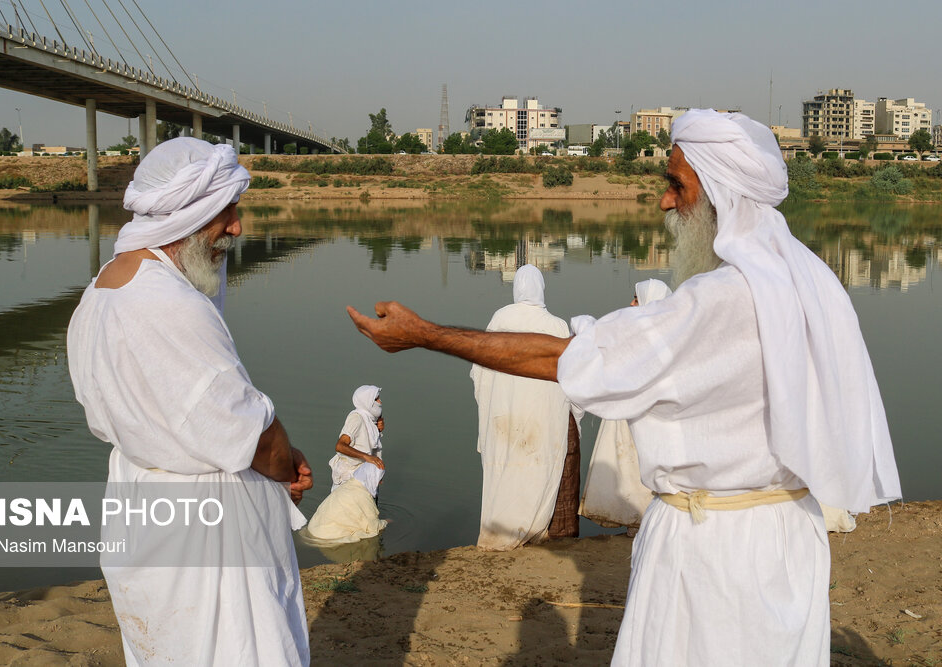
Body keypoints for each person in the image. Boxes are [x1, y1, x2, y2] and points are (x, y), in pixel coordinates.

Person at [347, 110, 901, 665]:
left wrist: (426, 334)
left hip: (713, 550)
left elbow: (568, 358)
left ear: (719, 195)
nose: (664, 202)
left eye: (675, 184)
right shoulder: (812, 282)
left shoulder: (721, 300)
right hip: (789, 536)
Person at [67, 137, 313, 666]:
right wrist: (287, 466)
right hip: (208, 532)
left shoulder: (97, 295)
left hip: (140, 512)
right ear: (187, 214)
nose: (237, 227)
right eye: (225, 211)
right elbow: (252, 432)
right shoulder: (169, 305)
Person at [469, 264, 584, 550]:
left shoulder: (500, 319)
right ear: (542, 288)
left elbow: (479, 371)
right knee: (536, 469)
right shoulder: (556, 326)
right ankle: (533, 529)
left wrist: (489, 401)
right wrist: (577, 416)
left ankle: (498, 533)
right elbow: (569, 377)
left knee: (505, 471)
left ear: (516, 288)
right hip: (542, 418)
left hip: (503, 414)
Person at [577, 279, 669, 536]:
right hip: (631, 417)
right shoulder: (647, 335)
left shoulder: (656, 340)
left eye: (637, 299)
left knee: (637, 467)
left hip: (644, 420)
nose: (631, 303)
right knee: (630, 468)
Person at [329, 385, 385, 490]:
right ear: (367, 402)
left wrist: (376, 473)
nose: (380, 402)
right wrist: (366, 457)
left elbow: (370, 445)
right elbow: (340, 446)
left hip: (363, 477)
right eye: (376, 399)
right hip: (348, 479)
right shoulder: (356, 418)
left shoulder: (370, 420)